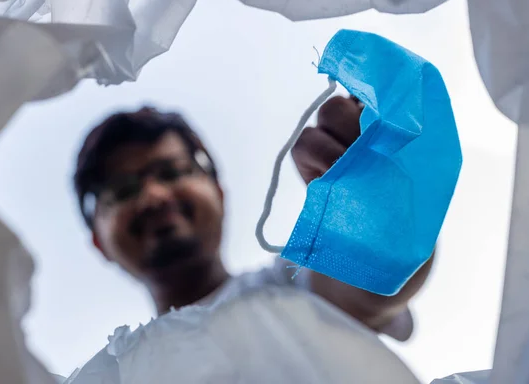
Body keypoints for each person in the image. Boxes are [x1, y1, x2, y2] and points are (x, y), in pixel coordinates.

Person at [74, 95, 433, 341]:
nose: (153, 196)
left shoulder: (292, 288)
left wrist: (374, 205)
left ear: (219, 192)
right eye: (121, 191)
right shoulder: (116, 373)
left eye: (171, 172)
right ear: (97, 242)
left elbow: (372, 281)